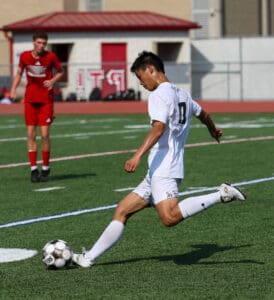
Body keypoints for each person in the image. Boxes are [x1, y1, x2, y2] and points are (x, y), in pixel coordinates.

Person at [72, 51, 246, 268]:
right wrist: (213, 130)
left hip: (164, 169)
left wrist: (137, 155)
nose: (141, 83)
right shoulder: (183, 94)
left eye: (140, 76)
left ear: (150, 69)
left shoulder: (158, 95)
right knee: (123, 210)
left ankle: (222, 195)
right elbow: (204, 114)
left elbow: (158, 127)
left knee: (170, 217)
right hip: (157, 171)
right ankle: (88, 258)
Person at [10, 30, 64, 183]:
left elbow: (61, 71)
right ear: (33, 42)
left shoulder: (50, 57)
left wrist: (53, 81)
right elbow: (19, 72)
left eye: (44, 43)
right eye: (39, 43)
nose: (41, 46)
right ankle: (33, 169)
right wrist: (13, 88)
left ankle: (46, 167)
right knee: (30, 134)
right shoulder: (25, 56)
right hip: (30, 100)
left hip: (46, 100)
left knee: (45, 135)